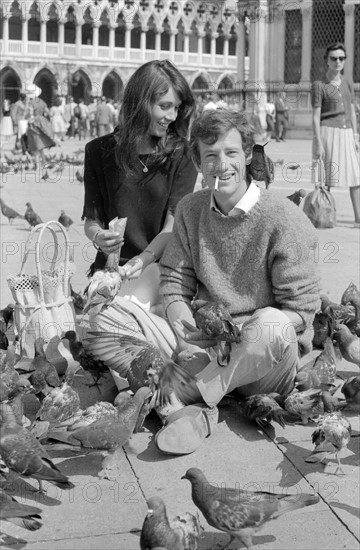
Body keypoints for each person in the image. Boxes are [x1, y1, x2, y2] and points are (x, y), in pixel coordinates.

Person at [88, 109, 320, 455]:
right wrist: (185, 339)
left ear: (247, 155)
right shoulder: (190, 210)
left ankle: (187, 399)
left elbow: (301, 312)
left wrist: (239, 336)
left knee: (271, 324)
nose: (221, 165)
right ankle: (189, 403)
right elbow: (175, 283)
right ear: (198, 161)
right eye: (210, 156)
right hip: (202, 344)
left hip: (262, 360)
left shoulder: (284, 218)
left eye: (230, 153)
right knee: (103, 315)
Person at [82, 59, 198, 302]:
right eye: (164, 106)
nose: (172, 116)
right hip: (109, 273)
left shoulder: (182, 154)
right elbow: (92, 220)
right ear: (141, 104)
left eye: (177, 107)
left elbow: (172, 226)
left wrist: (143, 259)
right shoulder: (97, 151)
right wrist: (98, 237)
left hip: (159, 270)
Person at [312, 42, 360, 227]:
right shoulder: (319, 85)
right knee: (326, 179)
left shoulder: (347, 81)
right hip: (327, 132)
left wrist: (356, 136)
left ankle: (358, 219)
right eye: (334, 58)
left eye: (341, 58)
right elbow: (316, 117)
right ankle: (325, 217)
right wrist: (318, 143)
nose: (338, 61)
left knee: (355, 177)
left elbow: (352, 110)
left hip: (347, 133)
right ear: (327, 61)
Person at [26, 95, 55, 166]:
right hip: (42, 121)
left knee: (34, 145)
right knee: (40, 145)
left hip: (33, 123)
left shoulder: (31, 102)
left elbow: (30, 113)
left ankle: (37, 164)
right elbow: (49, 113)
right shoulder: (42, 102)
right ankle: (44, 162)